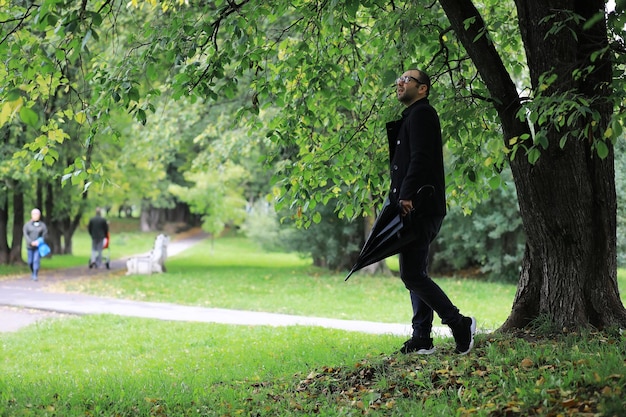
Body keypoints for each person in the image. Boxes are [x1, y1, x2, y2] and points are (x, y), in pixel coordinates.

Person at [386, 69, 476, 355]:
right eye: (398, 80)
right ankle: (422, 337)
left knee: (411, 274)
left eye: (406, 80)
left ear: (422, 89)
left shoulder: (423, 114)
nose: (399, 83)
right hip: (414, 206)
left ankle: (459, 323)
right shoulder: (412, 116)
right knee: (416, 272)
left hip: (420, 206)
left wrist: (408, 194)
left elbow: (421, 158)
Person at [23, 208, 48, 281]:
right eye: (34, 214)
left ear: (39, 215)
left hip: (38, 247)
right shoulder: (27, 225)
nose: (35, 216)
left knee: (36, 260)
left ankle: (35, 274)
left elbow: (45, 235)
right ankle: (32, 272)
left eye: (37, 214)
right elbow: (26, 235)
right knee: (30, 261)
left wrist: (38, 242)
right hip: (29, 246)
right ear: (31, 215)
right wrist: (31, 242)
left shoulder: (42, 225)